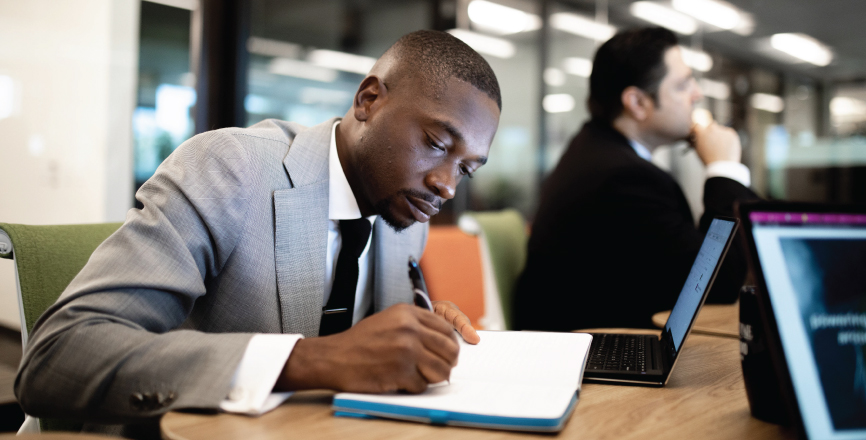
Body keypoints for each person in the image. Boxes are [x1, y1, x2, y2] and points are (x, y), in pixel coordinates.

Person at [15, 30, 501, 438]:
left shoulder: (404, 209)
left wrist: (423, 329)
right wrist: (312, 360)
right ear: (368, 100)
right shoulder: (228, 169)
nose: (446, 184)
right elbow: (58, 356)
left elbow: (371, 333)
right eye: (436, 143)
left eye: (467, 168)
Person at [514, 27, 757, 332]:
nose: (697, 94)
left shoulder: (597, 151)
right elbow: (717, 286)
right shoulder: (624, 179)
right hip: (587, 356)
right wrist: (723, 168)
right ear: (637, 102)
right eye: (682, 85)